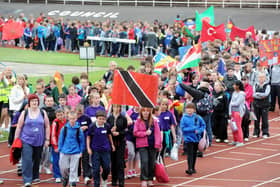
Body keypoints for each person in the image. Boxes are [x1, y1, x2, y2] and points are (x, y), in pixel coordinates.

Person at [14, 94, 50, 187]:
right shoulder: (24, 113)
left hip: (39, 140)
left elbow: (47, 126)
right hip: (26, 140)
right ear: (29, 102)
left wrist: (47, 139)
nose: (34, 102)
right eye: (32, 101)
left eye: (36, 101)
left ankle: (35, 175)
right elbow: (19, 127)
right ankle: (27, 180)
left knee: (37, 158)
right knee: (27, 159)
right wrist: (16, 139)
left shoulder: (43, 112)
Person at [133, 107, 161, 187]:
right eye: (144, 111)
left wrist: (158, 144)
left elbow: (157, 133)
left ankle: (150, 178)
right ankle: (144, 179)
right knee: (144, 161)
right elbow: (135, 132)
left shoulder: (154, 121)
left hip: (152, 145)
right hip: (142, 145)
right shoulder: (138, 121)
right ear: (141, 112)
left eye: (147, 111)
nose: (145, 113)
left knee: (151, 163)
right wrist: (145, 133)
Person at [87, 110, 115, 187]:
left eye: (103, 119)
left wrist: (112, 145)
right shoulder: (92, 126)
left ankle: (104, 178)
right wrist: (88, 148)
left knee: (107, 167)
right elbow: (88, 137)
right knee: (96, 170)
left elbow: (109, 135)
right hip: (95, 151)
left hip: (105, 150)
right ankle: (96, 184)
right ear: (96, 118)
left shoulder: (107, 126)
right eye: (99, 119)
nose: (101, 120)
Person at [58, 111, 85, 187]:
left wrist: (81, 151)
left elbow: (82, 141)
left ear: (76, 119)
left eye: (73, 119)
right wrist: (60, 149)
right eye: (70, 119)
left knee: (74, 168)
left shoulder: (78, 129)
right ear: (68, 119)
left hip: (75, 151)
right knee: (63, 167)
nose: (72, 120)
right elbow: (61, 139)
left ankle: (72, 181)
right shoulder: (64, 128)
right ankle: (65, 177)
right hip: (64, 151)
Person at [180, 103, 206, 175]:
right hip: (188, 139)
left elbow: (203, 125)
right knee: (190, 153)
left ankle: (193, 167)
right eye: (188, 108)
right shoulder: (184, 118)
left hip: (196, 138)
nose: (189, 110)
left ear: (194, 110)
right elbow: (183, 128)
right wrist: (192, 129)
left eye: (191, 109)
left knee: (194, 153)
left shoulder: (198, 117)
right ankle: (189, 168)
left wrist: (199, 131)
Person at [107, 104, 127, 187]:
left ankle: (121, 180)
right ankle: (114, 179)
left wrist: (119, 133)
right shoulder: (109, 118)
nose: (116, 108)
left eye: (118, 107)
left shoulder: (123, 118)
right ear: (112, 108)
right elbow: (107, 131)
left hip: (120, 142)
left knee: (120, 162)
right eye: (115, 107)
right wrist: (111, 131)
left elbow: (125, 131)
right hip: (112, 143)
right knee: (113, 162)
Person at [75, 104, 92, 185]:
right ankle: (77, 175)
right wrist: (79, 129)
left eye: (80, 114)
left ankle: (86, 176)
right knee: (77, 159)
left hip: (85, 142)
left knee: (85, 159)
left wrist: (87, 127)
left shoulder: (87, 118)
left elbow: (91, 127)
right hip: (76, 142)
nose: (79, 115)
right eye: (77, 113)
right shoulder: (73, 119)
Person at [50, 108, 66, 183]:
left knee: (64, 160)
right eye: (58, 115)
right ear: (56, 116)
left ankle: (63, 174)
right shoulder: (55, 123)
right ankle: (57, 176)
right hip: (56, 144)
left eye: (61, 115)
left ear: (64, 114)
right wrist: (55, 146)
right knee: (56, 160)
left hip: (65, 144)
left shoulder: (66, 122)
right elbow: (53, 135)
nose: (60, 116)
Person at [253, 72, 270, 138]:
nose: (261, 78)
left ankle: (265, 133)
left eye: (262, 77)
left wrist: (258, 94)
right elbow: (253, 94)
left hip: (264, 105)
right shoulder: (255, 85)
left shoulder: (267, 85)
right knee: (256, 119)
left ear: (265, 78)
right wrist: (260, 95)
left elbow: (266, 94)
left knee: (264, 120)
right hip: (256, 105)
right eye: (260, 77)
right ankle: (256, 133)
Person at [229, 80, 246, 147]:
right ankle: (235, 140)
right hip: (233, 111)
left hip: (238, 112)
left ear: (238, 86)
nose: (233, 86)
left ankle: (240, 140)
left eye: (234, 85)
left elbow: (237, 103)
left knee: (238, 126)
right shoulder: (234, 93)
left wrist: (232, 103)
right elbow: (231, 103)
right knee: (233, 126)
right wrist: (230, 111)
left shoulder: (241, 94)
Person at [125, 106, 140, 178]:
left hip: (138, 137)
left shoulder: (141, 113)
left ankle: (133, 169)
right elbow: (125, 123)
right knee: (131, 153)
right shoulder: (129, 112)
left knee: (136, 154)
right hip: (129, 136)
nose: (138, 106)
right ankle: (129, 169)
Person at [241, 76, 253, 141]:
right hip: (241, 107)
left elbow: (249, 95)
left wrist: (243, 96)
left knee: (247, 121)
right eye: (242, 80)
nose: (243, 81)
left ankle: (246, 135)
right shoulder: (240, 88)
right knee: (241, 121)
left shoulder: (250, 87)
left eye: (245, 80)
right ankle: (242, 134)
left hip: (249, 106)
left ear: (247, 80)